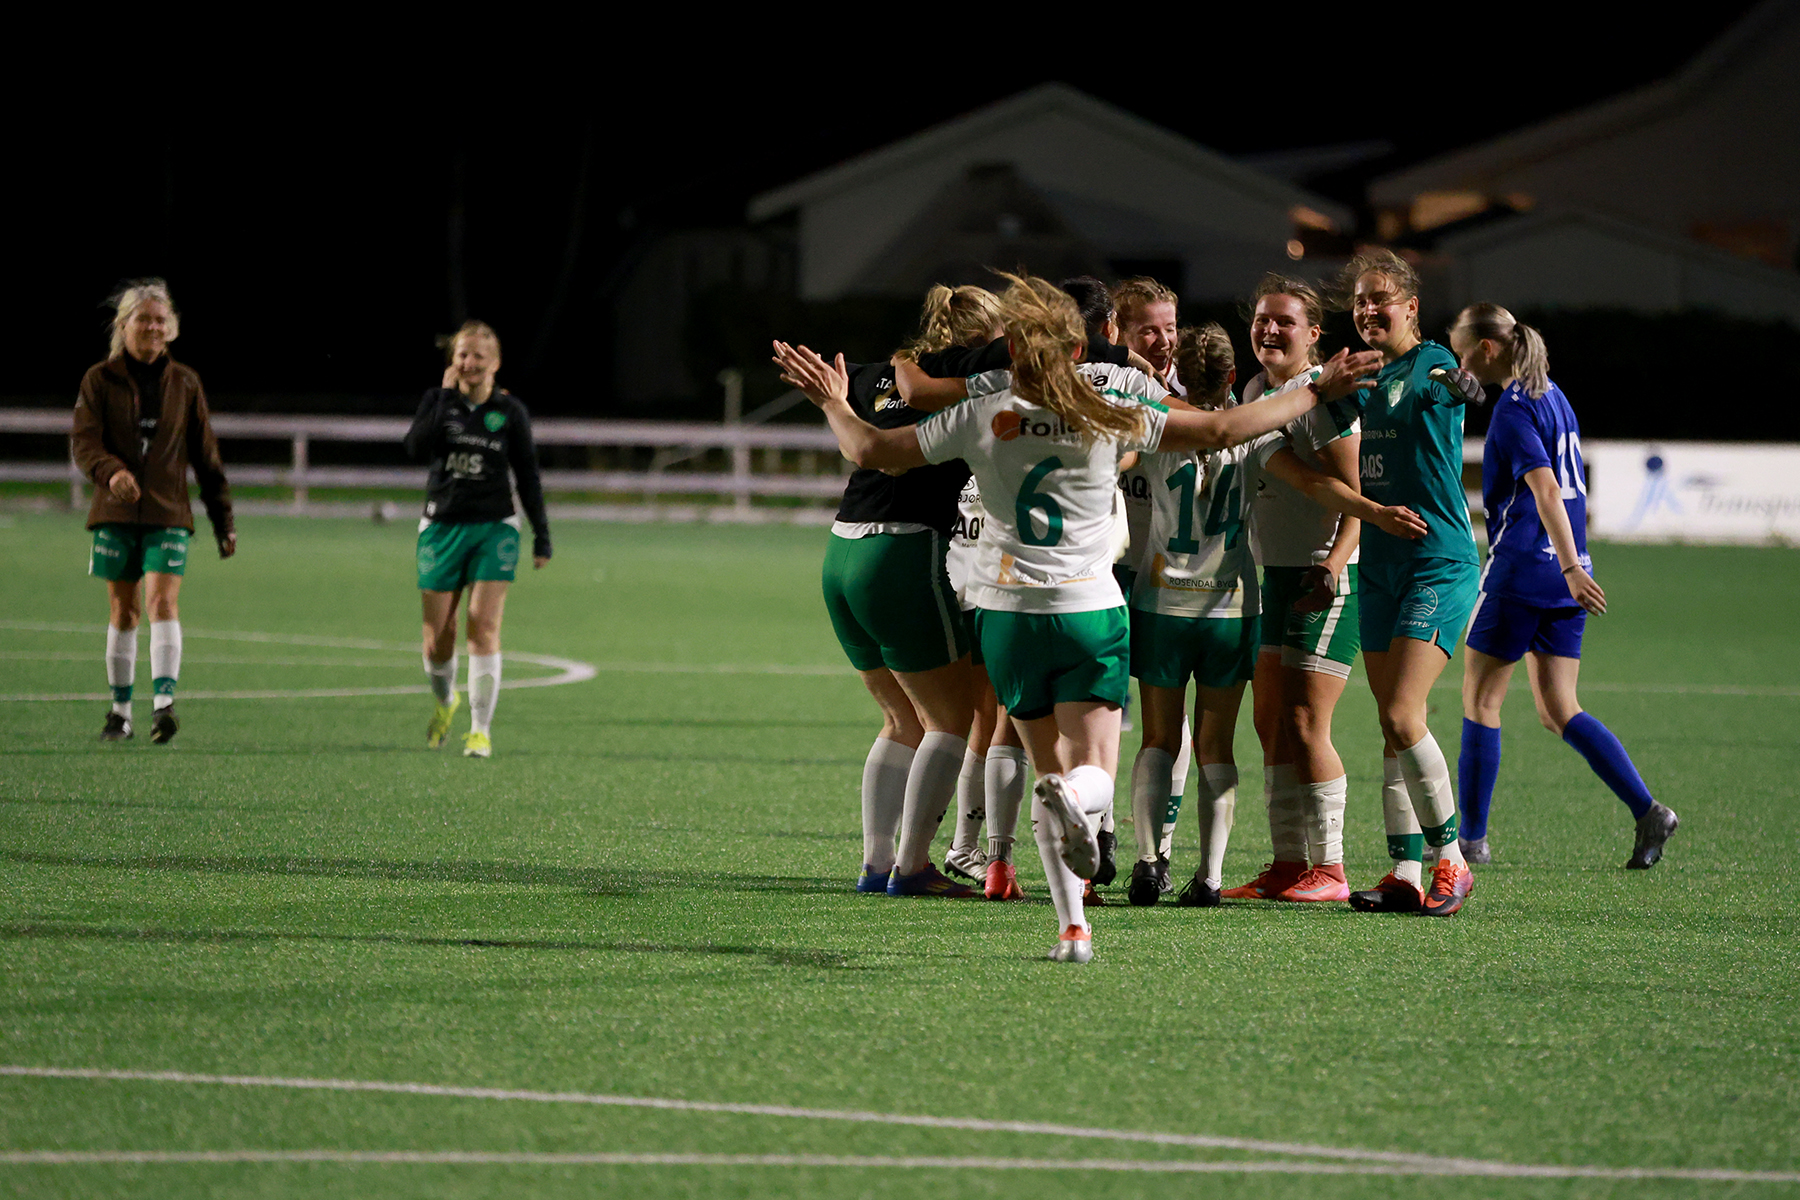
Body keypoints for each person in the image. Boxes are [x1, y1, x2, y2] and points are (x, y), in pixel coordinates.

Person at [775, 272, 1383, 962]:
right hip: (1089, 610)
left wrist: (832, 401)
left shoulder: (987, 410)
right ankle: (1073, 853)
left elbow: (870, 451)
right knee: (1087, 768)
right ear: (1072, 348)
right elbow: (1220, 428)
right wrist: (1315, 389)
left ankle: (1073, 927)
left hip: (1007, 617)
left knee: (1040, 767)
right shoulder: (1105, 410)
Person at [1130, 325, 1426, 908]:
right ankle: (1211, 877)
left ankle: (1147, 860)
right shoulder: (1253, 431)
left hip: (1161, 601)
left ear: (1179, 375)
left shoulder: (1153, 423)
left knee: (1160, 738)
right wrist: (1371, 510)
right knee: (1217, 744)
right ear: (1230, 376)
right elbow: (1314, 483)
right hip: (1228, 608)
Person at [1447, 304, 1679, 868]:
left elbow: (1547, 489)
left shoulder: (1512, 409)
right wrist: (1574, 567)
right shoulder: (1554, 395)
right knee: (1559, 708)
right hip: (1565, 573)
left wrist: (1571, 566)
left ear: (1487, 349)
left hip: (1527, 567)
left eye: (1461, 352)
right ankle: (1649, 811)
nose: (1460, 363)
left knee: (1480, 700)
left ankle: (1471, 841)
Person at [820, 285, 994, 898]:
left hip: (840, 551)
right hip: (900, 552)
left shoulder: (878, 375)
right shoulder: (969, 387)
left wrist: (832, 401)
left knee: (901, 718)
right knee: (952, 718)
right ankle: (914, 865)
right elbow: (888, 453)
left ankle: (875, 863)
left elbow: (851, 413)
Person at [1333, 250, 1484, 917]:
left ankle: (1451, 861)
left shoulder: (1430, 366)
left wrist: (1466, 384)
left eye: (1383, 298)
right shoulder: (1361, 374)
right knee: (1390, 724)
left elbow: (1456, 388)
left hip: (1439, 560)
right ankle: (1403, 869)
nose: (1370, 309)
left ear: (1412, 306)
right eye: (1362, 300)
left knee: (1402, 714)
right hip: (1382, 563)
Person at [1223, 276, 1366, 904]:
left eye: (1285, 321)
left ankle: (1330, 869)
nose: (1270, 330)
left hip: (1322, 576)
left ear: (1314, 334)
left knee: (1306, 721)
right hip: (1269, 580)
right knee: (1271, 722)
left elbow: (1359, 500)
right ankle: (1286, 863)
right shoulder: (1258, 392)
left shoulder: (1331, 403)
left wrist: (1333, 565)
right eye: (1261, 319)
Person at [72, 279, 234, 745]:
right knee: (124, 611)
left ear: (173, 328)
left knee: (163, 601)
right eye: (143, 318)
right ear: (124, 326)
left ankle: (163, 706)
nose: (153, 326)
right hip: (115, 513)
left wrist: (223, 521)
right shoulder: (98, 380)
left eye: (161, 319)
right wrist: (111, 473)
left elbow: (206, 457)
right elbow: (84, 442)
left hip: (167, 513)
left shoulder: (185, 383)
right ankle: (119, 713)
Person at [403, 320, 551, 758]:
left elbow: (528, 475)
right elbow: (415, 448)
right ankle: (446, 701)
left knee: (482, 626)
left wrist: (542, 535)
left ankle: (480, 731)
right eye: (461, 355)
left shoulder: (510, 412)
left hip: (495, 528)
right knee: (438, 638)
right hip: (441, 527)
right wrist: (446, 396)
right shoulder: (438, 401)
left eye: (477, 356)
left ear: (495, 363)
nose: (468, 362)